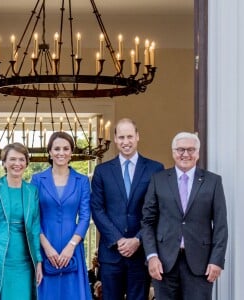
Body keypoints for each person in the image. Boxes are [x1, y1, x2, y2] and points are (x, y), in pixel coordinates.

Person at [141, 132, 228, 300]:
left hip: (201, 264)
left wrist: (217, 260)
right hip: (164, 263)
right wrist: (152, 256)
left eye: (191, 149)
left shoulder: (213, 181)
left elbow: (221, 225)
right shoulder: (158, 180)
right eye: (181, 149)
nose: (185, 154)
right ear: (173, 152)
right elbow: (147, 222)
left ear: (198, 153)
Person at [91, 118, 164, 300]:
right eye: (121, 137)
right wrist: (119, 240)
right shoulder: (102, 171)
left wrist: (137, 240)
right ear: (115, 139)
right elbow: (97, 209)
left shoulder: (155, 169)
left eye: (130, 136)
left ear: (137, 137)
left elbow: (159, 210)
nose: (126, 142)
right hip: (111, 254)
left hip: (141, 253)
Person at [0, 143, 43, 300]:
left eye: (21, 159)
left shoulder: (32, 191)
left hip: (25, 263)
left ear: (26, 163)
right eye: (12, 159)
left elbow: (35, 228)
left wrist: (38, 260)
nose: (17, 163)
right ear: (4, 162)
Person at [31, 131, 91, 300]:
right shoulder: (37, 180)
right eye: (56, 148)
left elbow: (85, 216)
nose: (61, 153)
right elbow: (33, 218)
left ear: (71, 152)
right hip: (44, 245)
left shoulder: (82, 180)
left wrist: (71, 246)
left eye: (66, 148)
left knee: (72, 293)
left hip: (72, 246)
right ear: (50, 152)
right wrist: (47, 249)